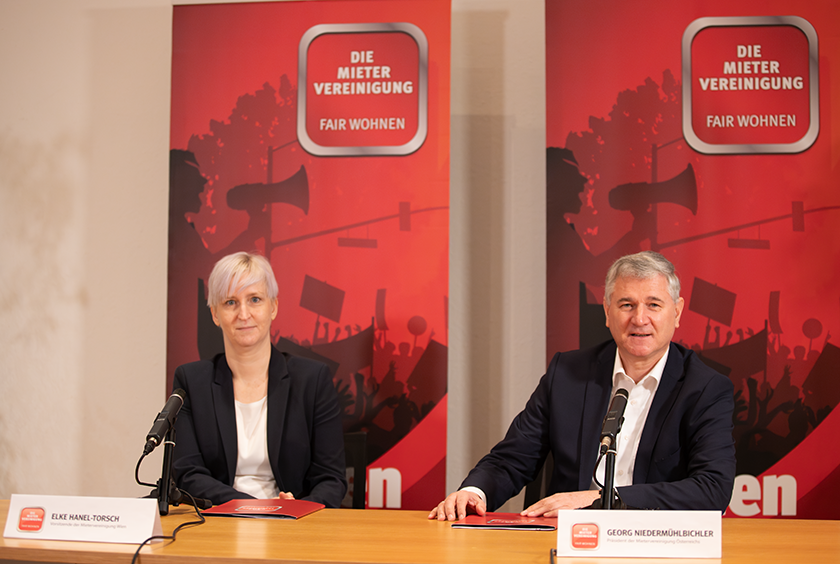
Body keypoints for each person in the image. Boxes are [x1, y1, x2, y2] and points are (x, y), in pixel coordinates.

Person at [430, 251, 735, 520]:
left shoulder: (705, 389)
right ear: (606, 312)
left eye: (654, 305)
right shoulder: (567, 373)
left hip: (655, 543)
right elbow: (514, 456)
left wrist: (602, 500)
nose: (639, 319)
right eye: (626, 304)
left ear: (677, 312)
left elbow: (712, 489)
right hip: (565, 542)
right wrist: (476, 491)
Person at [172, 251, 347, 506]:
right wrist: (256, 508)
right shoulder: (191, 381)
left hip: (293, 529)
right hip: (218, 525)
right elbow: (188, 474)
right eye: (230, 302)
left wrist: (296, 510)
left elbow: (331, 479)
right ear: (214, 314)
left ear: (273, 307)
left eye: (254, 299)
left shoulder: (312, 380)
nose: (243, 314)